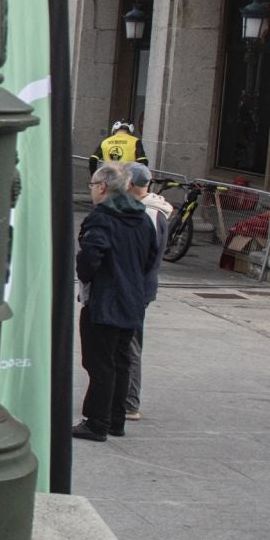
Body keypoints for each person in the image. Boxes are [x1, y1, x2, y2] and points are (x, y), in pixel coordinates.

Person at [73, 163, 159, 442]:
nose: (92, 191)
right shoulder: (143, 218)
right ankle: (115, 420)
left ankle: (97, 422)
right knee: (120, 361)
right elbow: (150, 258)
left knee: (100, 363)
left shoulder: (102, 217)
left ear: (102, 187)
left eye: (92, 186)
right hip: (132, 299)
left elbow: (91, 257)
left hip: (105, 300)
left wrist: (85, 274)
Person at [124, 163, 171, 422]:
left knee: (130, 344)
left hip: (137, 289)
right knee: (128, 342)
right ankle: (126, 398)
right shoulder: (150, 211)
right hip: (139, 287)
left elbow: (148, 255)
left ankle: (130, 401)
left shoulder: (150, 214)